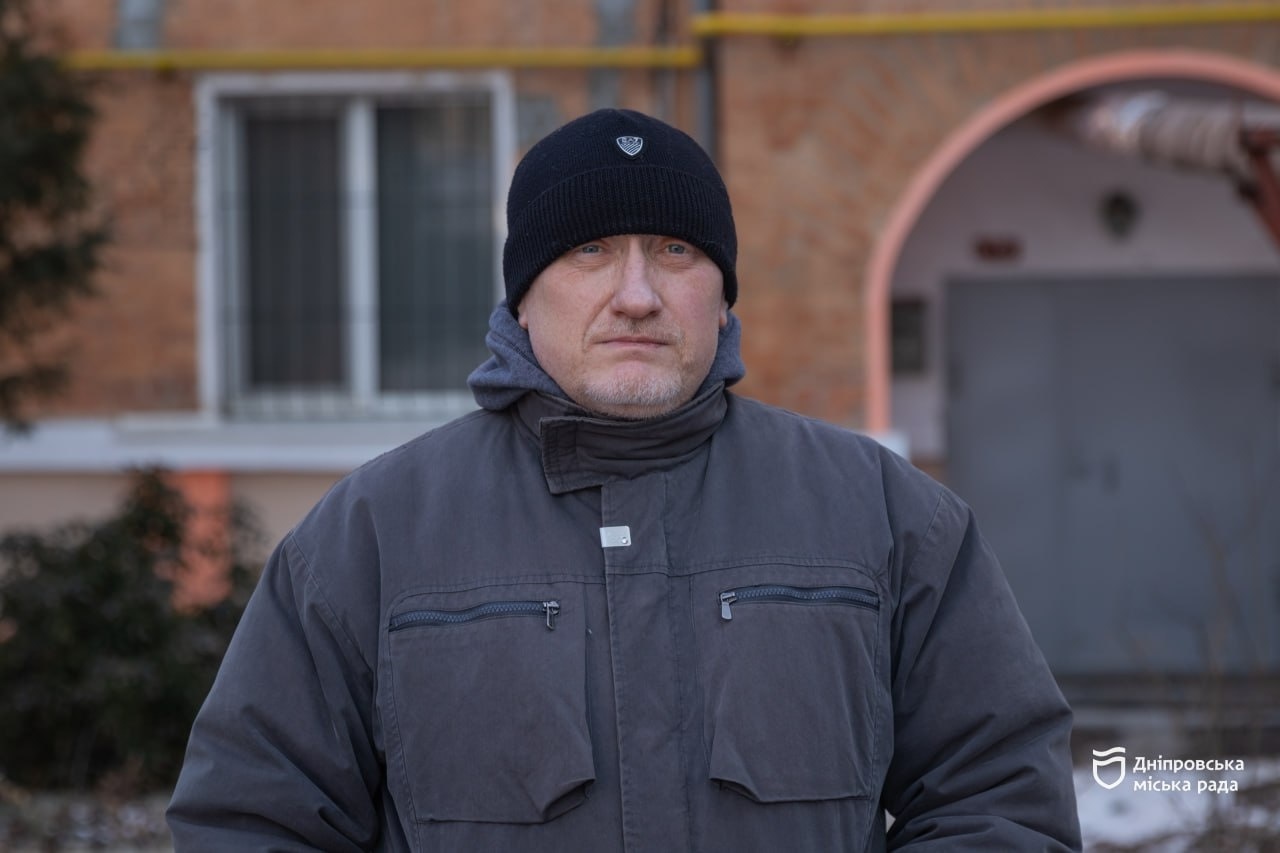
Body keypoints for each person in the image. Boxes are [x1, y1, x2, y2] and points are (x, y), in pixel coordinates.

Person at [167, 108, 1082, 851]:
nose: (637, 294)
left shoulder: (883, 515)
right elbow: (251, 819)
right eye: (591, 251)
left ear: (721, 295)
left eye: (675, 251)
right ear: (524, 297)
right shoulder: (372, 534)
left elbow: (999, 797)